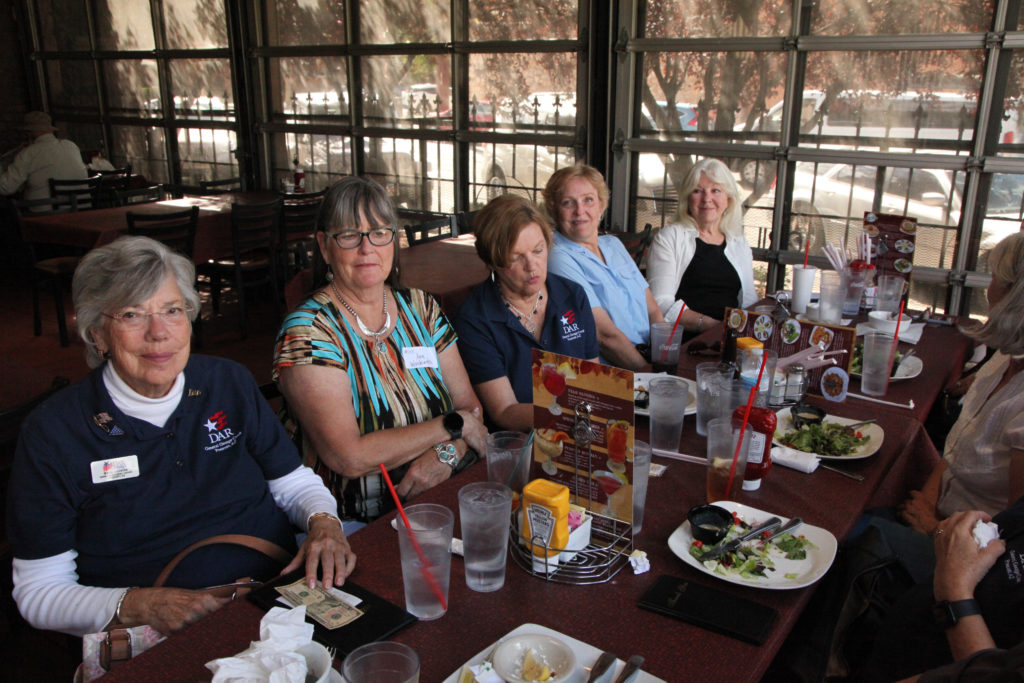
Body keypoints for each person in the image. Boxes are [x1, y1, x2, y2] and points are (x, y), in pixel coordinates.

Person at [6, 236, 354, 638]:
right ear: (96, 334)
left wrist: (324, 522)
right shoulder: (54, 432)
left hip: (277, 590)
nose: (159, 332)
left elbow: (292, 482)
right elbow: (38, 591)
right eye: (132, 315)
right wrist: (137, 605)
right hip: (155, 625)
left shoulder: (228, 382)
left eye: (172, 310)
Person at [273, 176, 488, 527]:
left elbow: (471, 408)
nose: (367, 248)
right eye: (349, 235)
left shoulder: (422, 307)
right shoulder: (309, 330)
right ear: (325, 248)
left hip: (442, 494)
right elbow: (349, 457)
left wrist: (447, 453)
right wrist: (454, 425)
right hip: (356, 523)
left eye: (379, 232)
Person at [901, 231, 1024, 537]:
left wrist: (936, 530)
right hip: (941, 512)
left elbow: (1015, 540)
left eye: (994, 277)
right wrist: (928, 500)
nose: (987, 289)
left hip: (963, 556)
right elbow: (955, 452)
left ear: (1014, 297)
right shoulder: (1005, 359)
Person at [455, 194, 599, 431]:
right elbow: (504, 411)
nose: (532, 266)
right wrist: (570, 417)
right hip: (520, 443)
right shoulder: (476, 320)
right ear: (492, 261)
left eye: (538, 250)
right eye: (515, 257)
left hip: (581, 431)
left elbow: (593, 379)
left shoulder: (573, 295)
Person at [543, 163, 664, 371]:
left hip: (649, 358)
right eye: (568, 203)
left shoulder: (614, 245)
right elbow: (604, 337)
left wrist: (663, 359)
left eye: (588, 200)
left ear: (601, 205)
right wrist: (650, 375)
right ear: (554, 210)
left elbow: (653, 310)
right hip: (616, 372)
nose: (580, 211)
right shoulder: (557, 256)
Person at [646, 158, 757, 337]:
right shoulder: (669, 237)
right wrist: (712, 326)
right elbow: (660, 303)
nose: (707, 199)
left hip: (727, 338)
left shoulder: (739, 243)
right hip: (682, 341)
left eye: (716, 190)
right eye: (697, 191)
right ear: (687, 199)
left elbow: (749, 302)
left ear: (728, 198)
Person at [0, 111, 88, 201]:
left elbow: (5, 188)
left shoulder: (28, 153)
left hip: (45, 212)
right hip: (82, 209)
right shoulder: (71, 146)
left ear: (29, 133)